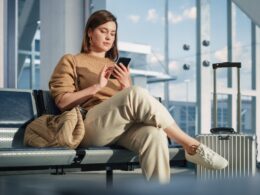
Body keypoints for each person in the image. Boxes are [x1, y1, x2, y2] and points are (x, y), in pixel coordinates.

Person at [49, 10, 228, 184]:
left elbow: (128, 104)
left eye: (112, 33)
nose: (109, 37)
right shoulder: (71, 60)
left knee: (155, 135)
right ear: (89, 32)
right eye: (103, 31)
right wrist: (97, 87)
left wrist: (125, 85)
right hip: (89, 125)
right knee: (135, 92)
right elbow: (62, 102)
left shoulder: (115, 66)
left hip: (119, 127)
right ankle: (190, 145)